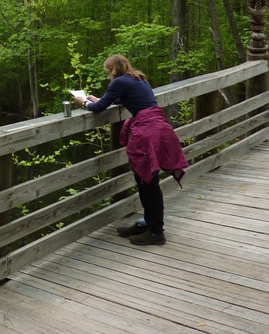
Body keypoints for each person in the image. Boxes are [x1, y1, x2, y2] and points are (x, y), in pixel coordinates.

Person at [73, 54, 188, 246]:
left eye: (107, 71)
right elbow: (122, 100)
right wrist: (97, 98)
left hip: (147, 132)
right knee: (146, 179)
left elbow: (99, 108)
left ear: (112, 69)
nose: (108, 75)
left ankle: (156, 232)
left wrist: (83, 102)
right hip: (159, 128)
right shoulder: (138, 78)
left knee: (148, 180)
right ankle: (149, 223)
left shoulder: (118, 82)